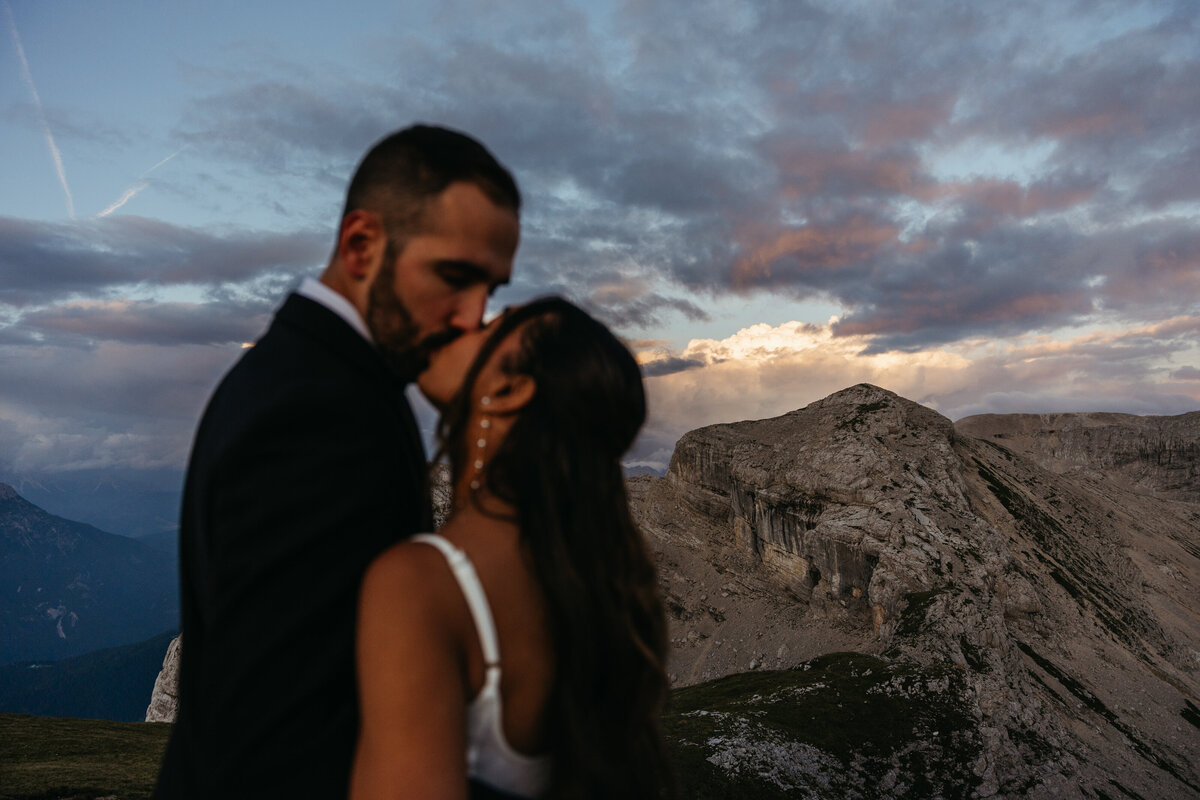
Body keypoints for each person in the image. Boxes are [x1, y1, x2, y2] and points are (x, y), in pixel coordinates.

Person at [153, 125, 521, 799]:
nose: (472, 316)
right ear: (361, 245)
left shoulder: (307, 378)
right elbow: (285, 742)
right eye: (455, 277)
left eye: (490, 290)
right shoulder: (321, 415)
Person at [351, 297, 671, 800]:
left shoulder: (420, 584)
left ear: (509, 389)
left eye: (491, 327)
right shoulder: (579, 574)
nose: (463, 321)